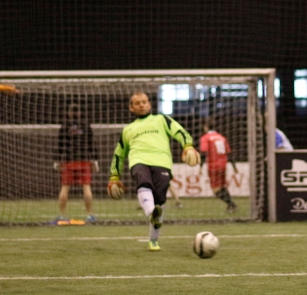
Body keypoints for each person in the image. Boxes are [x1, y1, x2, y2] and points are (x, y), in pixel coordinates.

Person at [108, 92, 199, 251]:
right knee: (143, 182)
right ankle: (151, 213)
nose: (141, 105)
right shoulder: (128, 130)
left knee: (159, 200)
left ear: (150, 104)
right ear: (131, 108)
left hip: (162, 162)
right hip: (138, 160)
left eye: (144, 102)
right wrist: (114, 176)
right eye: (137, 103)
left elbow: (180, 131)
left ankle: (153, 240)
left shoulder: (161, 119)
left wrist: (188, 146)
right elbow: (118, 155)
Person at [56, 102, 97, 223]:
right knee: (86, 187)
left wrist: (57, 160)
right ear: (79, 113)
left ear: (69, 113)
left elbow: (60, 144)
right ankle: (89, 215)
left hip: (68, 161)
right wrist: (95, 159)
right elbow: (92, 143)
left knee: (65, 187)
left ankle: (61, 215)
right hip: (84, 161)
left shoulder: (64, 126)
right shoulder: (86, 125)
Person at [199, 124, 237, 213]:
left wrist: (200, 167)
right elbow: (229, 153)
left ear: (206, 127)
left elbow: (204, 152)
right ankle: (230, 206)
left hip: (213, 165)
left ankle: (232, 204)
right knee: (222, 186)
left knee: (215, 189)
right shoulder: (222, 137)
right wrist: (234, 166)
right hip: (223, 164)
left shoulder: (205, 138)